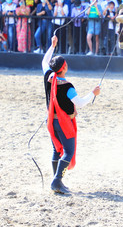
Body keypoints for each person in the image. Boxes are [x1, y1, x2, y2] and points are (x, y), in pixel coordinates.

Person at [42, 35, 101, 194]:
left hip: (51, 122)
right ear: (64, 67)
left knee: (56, 150)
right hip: (64, 123)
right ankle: (57, 181)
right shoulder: (68, 87)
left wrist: (52, 46)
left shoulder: (49, 76)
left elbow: (44, 62)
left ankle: (56, 179)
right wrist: (93, 93)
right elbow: (80, 103)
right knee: (68, 152)